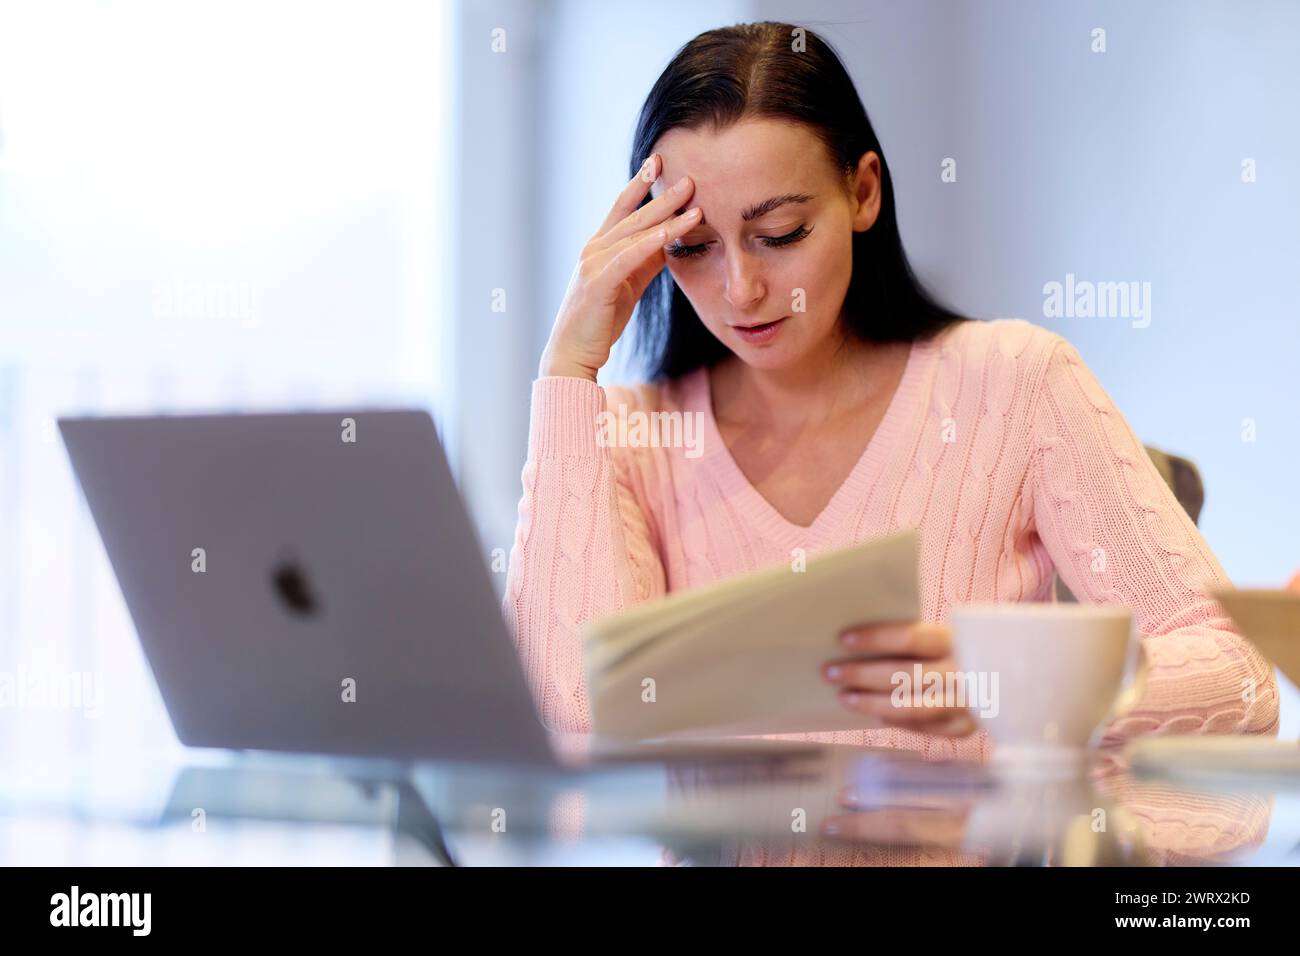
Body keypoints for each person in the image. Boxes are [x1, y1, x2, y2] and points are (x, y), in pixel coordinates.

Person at [502, 21, 1278, 766]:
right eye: (693, 248)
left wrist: (1008, 684)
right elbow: (571, 711)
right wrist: (569, 367)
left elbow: (1240, 678)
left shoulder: (1013, 383)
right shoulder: (638, 436)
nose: (741, 289)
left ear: (864, 192)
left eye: (781, 234)